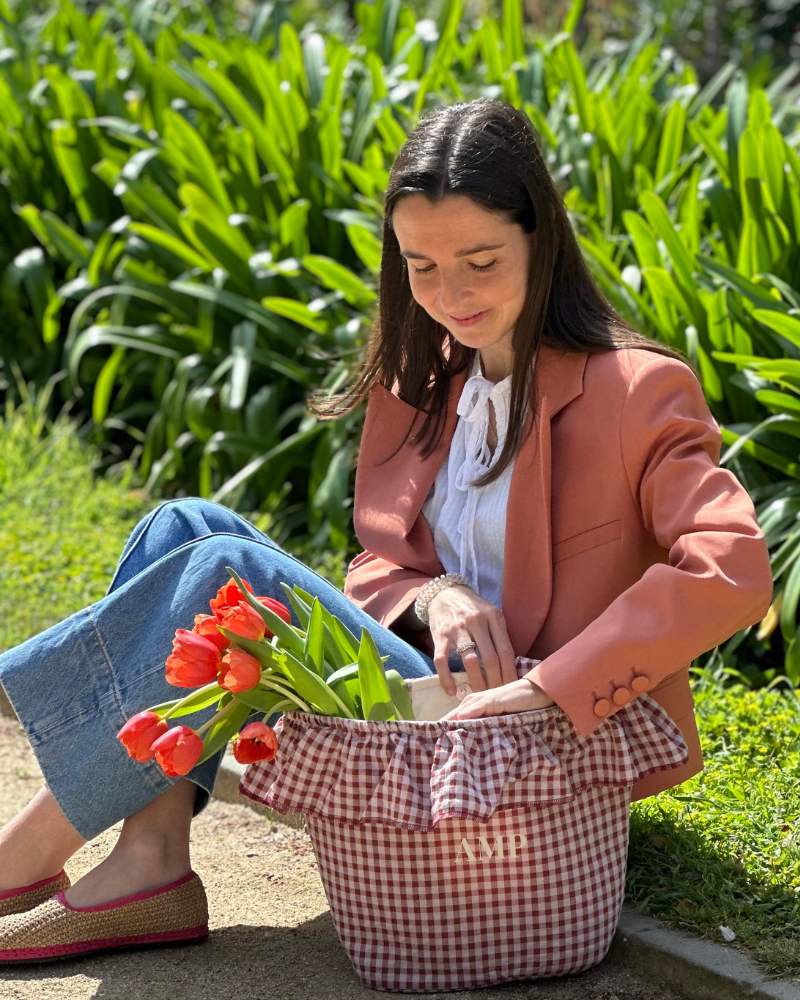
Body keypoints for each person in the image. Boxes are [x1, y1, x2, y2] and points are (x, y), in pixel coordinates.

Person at [0, 98, 773, 963]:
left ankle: (22, 853)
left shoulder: (636, 391)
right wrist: (437, 596)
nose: (452, 296)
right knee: (182, 526)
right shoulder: (426, 379)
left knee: (226, 567)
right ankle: (151, 859)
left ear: (542, 239)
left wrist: (552, 687)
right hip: (430, 695)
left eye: (482, 261)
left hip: (533, 738)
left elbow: (733, 568)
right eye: (422, 267)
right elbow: (379, 562)